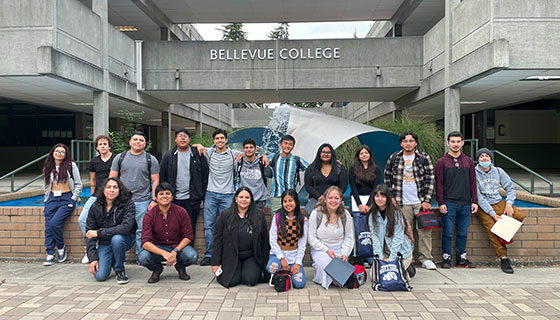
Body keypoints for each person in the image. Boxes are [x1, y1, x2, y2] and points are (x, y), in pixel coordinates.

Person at [384, 131, 436, 270]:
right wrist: (392, 198)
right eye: (405, 141)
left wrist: (427, 200)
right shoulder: (394, 158)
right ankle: (408, 258)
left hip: (420, 201)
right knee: (405, 231)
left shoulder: (423, 157)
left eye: (411, 141)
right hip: (402, 202)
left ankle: (426, 258)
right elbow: (387, 178)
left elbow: (430, 179)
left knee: (424, 231)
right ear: (401, 143)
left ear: (416, 143)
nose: (408, 143)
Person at [195, 129, 243, 266]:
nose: (220, 140)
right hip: (210, 193)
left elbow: (251, 153)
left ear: (226, 140)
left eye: (222, 138)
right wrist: (198, 145)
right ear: (214, 141)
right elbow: (195, 146)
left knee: (229, 225)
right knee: (208, 226)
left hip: (228, 194)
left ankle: (227, 254)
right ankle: (210, 254)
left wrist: (262, 156)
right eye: (217, 138)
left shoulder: (234, 154)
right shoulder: (208, 153)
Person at [474, 148, 525, 274]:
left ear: (491, 159)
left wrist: (508, 204)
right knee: (492, 228)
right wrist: (493, 214)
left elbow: (510, 188)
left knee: (519, 215)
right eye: (481, 157)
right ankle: (503, 257)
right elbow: (478, 197)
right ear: (478, 159)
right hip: (483, 206)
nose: (484, 159)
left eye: (487, 156)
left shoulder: (498, 171)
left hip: (498, 201)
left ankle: (503, 236)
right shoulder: (474, 173)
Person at [109, 131, 160, 257]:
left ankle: (141, 256)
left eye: (141, 140)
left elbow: (155, 180)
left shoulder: (150, 159)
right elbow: (112, 180)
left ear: (145, 144)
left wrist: (154, 199)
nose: (138, 142)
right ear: (130, 142)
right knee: (119, 228)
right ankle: (119, 256)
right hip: (122, 201)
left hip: (143, 200)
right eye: (135, 139)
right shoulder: (120, 157)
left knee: (142, 230)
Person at [137, 183, 198, 283]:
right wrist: (164, 253)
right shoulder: (149, 215)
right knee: (142, 257)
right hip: (158, 248)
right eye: (161, 194)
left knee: (192, 256)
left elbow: (188, 236)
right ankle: (157, 269)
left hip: (178, 248)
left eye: (167, 193)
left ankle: (180, 267)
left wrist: (175, 251)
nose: (164, 196)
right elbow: (145, 242)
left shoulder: (181, 211)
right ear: (156, 198)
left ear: (172, 197)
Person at [211, 187, 270, 288]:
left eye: (247, 197)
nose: (244, 200)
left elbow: (264, 239)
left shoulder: (258, 214)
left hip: (251, 255)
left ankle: (248, 270)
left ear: (251, 199)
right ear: (236, 199)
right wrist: (215, 262)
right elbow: (217, 240)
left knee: (250, 280)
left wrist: (265, 261)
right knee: (232, 281)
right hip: (231, 255)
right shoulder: (225, 215)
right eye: (241, 197)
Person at [435, 131, 478, 268]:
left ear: (462, 143)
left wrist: (475, 201)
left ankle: (461, 257)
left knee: (462, 233)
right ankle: (446, 258)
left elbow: (472, 182)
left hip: (465, 203)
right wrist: (440, 202)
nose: (455, 144)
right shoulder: (441, 162)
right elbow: (439, 184)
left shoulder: (469, 161)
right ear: (448, 143)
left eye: (458, 141)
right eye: (452, 142)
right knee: (447, 232)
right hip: (449, 203)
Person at [160, 128, 208, 243]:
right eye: (180, 136)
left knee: (190, 226)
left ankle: (188, 255)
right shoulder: (169, 156)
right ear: (175, 139)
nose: (182, 138)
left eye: (185, 136)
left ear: (189, 139)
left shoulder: (197, 154)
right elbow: (163, 177)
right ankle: (174, 252)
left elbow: (205, 175)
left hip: (192, 199)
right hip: (174, 198)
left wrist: (202, 196)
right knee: (173, 226)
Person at [85, 177, 136, 284]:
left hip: (125, 239)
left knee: (117, 239)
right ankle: (112, 258)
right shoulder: (95, 206)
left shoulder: (128, 203)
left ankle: (119, 269)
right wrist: (93, 258)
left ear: (120, 190)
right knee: (100, 276)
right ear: (103, 189)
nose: (111, 190)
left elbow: (126, 227)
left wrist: (99, 233)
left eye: (115, 187)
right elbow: (89, 234)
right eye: (108, 187)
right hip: (105, 242)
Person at [42, 143, 82, 266]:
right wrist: (46, 199)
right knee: (49, 227)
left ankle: (60, 247)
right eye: (57, 151)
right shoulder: (48, 166)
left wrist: (73, 198)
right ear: (52, 153)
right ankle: (50, 253)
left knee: (54, 223)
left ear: (66, 155)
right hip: (52, 198)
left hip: (66, 198)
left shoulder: (71, 165)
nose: (59, 153)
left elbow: (78, 183)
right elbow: (46, 185)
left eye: (62, 152)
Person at [308, 186, 354, 289]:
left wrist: (344, 253)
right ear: (325, 199)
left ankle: (336, 279)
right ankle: (328, 278)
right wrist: (327, 250)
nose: (333, 201)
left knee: (338, 276)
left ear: (341, 200)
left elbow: (349, 237)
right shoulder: (316, 213)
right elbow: (311, 237)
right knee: (325, 266)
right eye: (330, 198)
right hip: (321, 249)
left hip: (339, 249)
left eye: (336, 198)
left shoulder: (345, 215)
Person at [79, 135, 116, 264]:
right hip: (96, 195)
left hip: (112, 194)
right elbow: (93, 179)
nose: (103, 146)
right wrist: (92, 192)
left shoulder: (115, 159)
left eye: (105, 144)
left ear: (109, 146)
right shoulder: (94, 161)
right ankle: (90, 249)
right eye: (100, 144)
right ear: (97, 147)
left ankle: (109, 251)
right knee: (83, 219)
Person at [266, 189, 308, 289]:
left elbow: (302, 243)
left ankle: (286, 273)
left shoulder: (303, 220)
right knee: (271, 268)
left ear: (296, 202)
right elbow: (272, 240)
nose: (287, 204)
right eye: (285, 201)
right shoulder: (277, 217)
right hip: (278, 256)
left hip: (294, 256)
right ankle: (280, 272)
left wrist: (297, 263)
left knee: (299, 284)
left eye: (290, 201)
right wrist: (282, 259)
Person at [367, 185, 413, 273]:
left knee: (392, 275)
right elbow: (375, 237)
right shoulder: (372, 214)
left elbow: (398, 237)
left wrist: (392, 258)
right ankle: (403, 269)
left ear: (388, 198)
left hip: (401, 252)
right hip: (385, 252)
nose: (379, 199)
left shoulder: (396, 213)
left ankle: (406, 268)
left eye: (383, 196)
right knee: (374, 277)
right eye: (377, 196)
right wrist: (380, 257)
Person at [348, 145, 381, 265]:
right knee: (359, 230)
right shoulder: (353, 169)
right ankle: (361, 257)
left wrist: (368, 204)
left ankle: (371, 256)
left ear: (370, 154)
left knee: (371, 229)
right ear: (358, 155)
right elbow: (353, 187)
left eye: (366, 153)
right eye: (361, 153)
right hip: (356, 202)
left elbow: (375, 188)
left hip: (371, 202)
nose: (364, 155)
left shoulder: (376, 169)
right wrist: (360, 204)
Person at [267, 135, 309, 214]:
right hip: (277, 197)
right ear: (281, 144)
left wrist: (333, 164)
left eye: (290, 144)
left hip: (291, 198)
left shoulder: (297, 160)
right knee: (276, 223)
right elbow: (257, 160)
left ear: (293, 146)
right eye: (285, 143)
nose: (287, 146)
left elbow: (311, 168)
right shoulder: (274, 157)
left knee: (291, 222)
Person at [304, 143, 348, 213]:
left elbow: (343, 186)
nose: (326, 154)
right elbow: (308, 185)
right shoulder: (311, 168)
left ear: (332, 154)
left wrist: (332, 198)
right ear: (319, 153)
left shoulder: (339, 168)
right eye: (323, 152)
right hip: (316, 201)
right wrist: (319, 197)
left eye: (328, 152)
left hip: (335, 202)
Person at [237, 138, 272, 214]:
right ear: (243, 149)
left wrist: (264, 156)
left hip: (259, 200)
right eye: (246, 148)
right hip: (244, 199)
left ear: (256, 148)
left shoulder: (262, 161)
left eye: (251, 147)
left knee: (257, 223)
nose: (249, 150)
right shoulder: (240, 161)